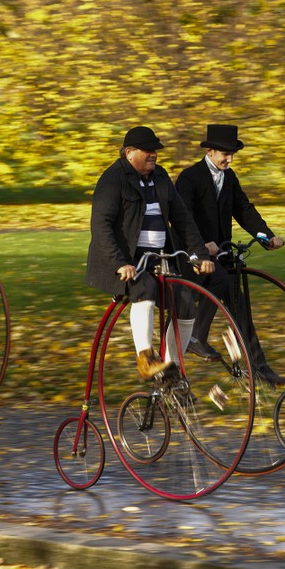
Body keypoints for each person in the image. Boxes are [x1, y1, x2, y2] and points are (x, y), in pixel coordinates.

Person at [86, 126, 214, 381]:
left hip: (159, 260)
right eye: (148, 150)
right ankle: (146, 358)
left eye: (155, 150)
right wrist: (120, 262)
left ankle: (172, 368)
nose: (154, 155)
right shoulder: (113, 179)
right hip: (128, 262)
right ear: (129, 152)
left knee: (185, 299)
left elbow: (182, 218)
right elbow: (101, 225)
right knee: (143, 287)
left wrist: (200, 254)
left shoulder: (161, 177)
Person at [176, 124, 285, 386]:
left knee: (240, 307)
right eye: (225, 153)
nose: (230, 159)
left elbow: (244, 209)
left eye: (233, 154)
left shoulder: (229, 177)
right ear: (210, 150)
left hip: (222, 255)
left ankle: (258, 366)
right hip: (192, 257)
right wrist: (202, 246)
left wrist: (265, 236)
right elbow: (182, 220)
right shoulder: (190, 178)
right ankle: (194, 339)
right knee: (216, 286)